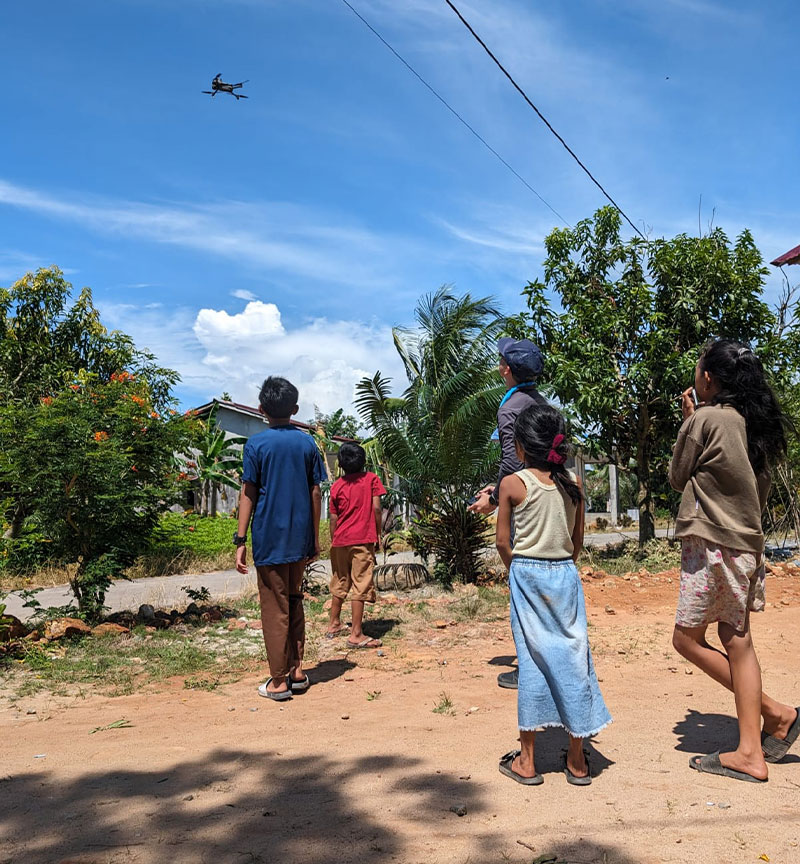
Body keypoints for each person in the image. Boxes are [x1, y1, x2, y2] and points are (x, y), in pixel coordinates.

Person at [670, 339, 799, 782]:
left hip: (711, 546)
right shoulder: (755, 425)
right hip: (747, 546)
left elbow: (676, 477)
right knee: (736, 638)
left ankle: (772, 720)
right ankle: (765, 733)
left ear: (708, 379)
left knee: (686, 641)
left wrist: (690, 423)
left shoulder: (705, 419)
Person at [495, 405, 611, 786]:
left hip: (526, 574)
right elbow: (577, 545)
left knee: (531, 660)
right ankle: (577, 760)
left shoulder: (512, 484)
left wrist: (520, 570)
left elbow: (502, 543)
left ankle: (527, 761)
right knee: (575, 657)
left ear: (521, 447)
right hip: (565, 574)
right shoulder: (573, 484)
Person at [235, 377, 326, 701]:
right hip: (300, 537)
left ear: (261, 410)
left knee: (275, 608)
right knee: (294, 599)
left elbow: (248, 492)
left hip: (269, 538)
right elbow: (315, 492)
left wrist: (240, 538)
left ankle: (277, 681)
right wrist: (315, 538)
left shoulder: (256, 446)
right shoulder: (307, 444)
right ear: (295, 409)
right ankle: (297, 671)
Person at [469, 336, 548, 690]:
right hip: (547, 499)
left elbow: (512, 461)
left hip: (522, 503)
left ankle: (528, 667)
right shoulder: (543, 404)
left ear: (507, 370)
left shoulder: (509, 408)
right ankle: (547, 661)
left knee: (521, 581)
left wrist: (495, 498)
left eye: (501, 361)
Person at [325, 442, 387, 648]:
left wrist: (334, 539)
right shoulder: (371, 479)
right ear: (363, 461)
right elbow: (377, 509)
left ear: (341, 465)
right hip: (362, 539)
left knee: (340, 580)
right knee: (361, 583)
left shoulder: (336, 486)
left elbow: (333, 518)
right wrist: (377, 534)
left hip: (340, 540)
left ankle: (334, 623)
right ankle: (356, 634)